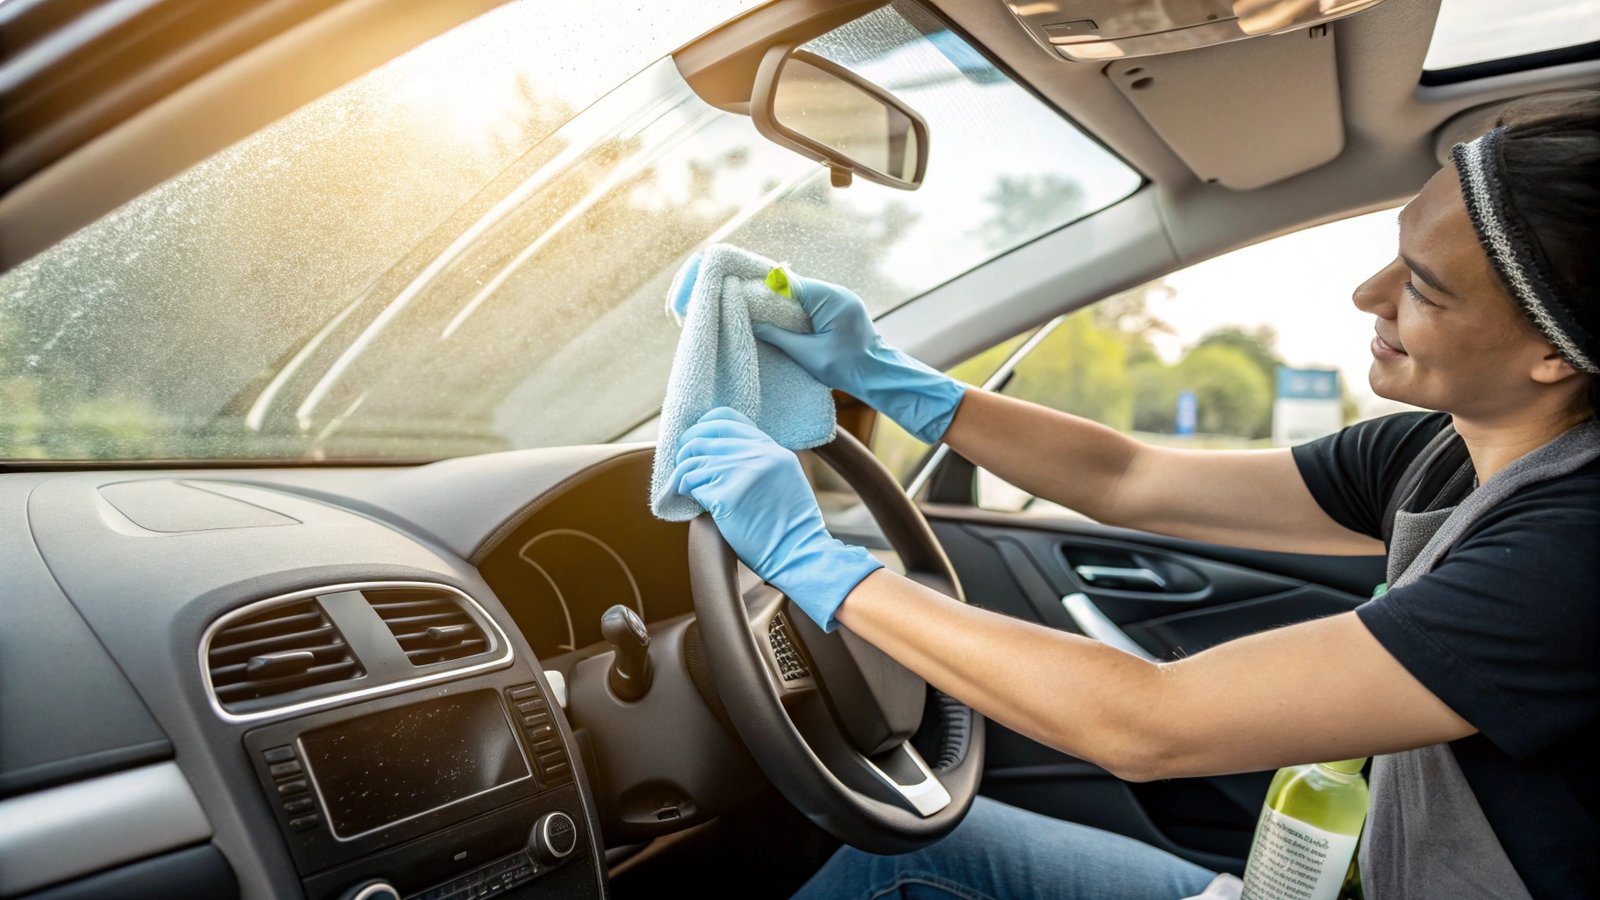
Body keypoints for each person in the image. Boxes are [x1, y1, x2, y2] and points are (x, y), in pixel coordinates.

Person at [667, 92, 1599, 899]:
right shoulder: (1443, 452)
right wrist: (892, 379)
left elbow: (1149, 725)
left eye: (1424, 290)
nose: (1369, 292)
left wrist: (815, 565)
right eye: (1394, 254)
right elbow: (1130, 479)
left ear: (1553, 354)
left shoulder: (1574, 549)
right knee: (882, 856)